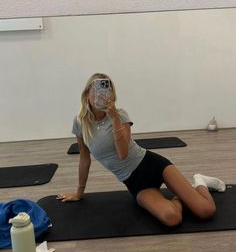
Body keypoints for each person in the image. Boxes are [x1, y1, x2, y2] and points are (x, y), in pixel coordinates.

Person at [57, 73, 226, 227]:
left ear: (111, 95)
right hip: (135, 182)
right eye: (95, 89)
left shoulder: (120, 115)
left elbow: (122, 154)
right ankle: (179, 197)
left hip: (153, 165)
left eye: (106, 89)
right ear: (87, 93)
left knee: (206, 211)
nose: (100, 94)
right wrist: (79, 192)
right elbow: (84, 159)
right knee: (172, 218)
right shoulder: (80, 122)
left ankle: (200, 182)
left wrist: (114, 118)